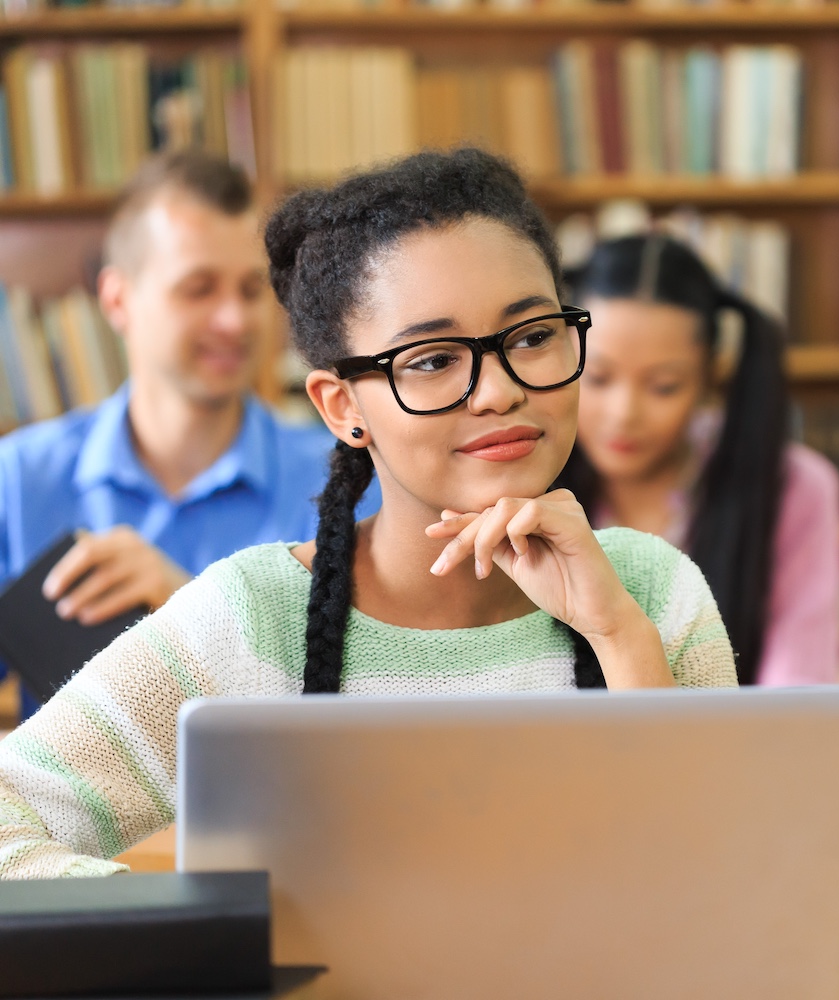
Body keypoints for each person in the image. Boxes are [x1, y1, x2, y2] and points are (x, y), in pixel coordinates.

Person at [0, 148, 737, 878]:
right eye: (432, 360)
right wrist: (207, 948)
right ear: (342, 405)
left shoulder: (655, 594)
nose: (499, 391)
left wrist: (617, 635)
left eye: (533, 336)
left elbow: (727, 898)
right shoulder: (250, 619)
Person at [0, 150, 381, 718]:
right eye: (199, 289)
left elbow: (376, 703)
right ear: (117, 300)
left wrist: (193, 613)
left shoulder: (355, 477)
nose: (233, 319)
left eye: (252, 290)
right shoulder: (17, 480)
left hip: (279, 804)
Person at [558, 234, 839, 687]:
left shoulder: (792, 486)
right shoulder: (526, 471)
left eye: (664, 386)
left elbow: (797, 687)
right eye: (598, 377)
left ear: (710, 378)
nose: (623, 414)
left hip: (739, 753)